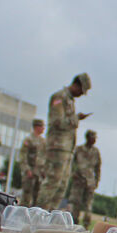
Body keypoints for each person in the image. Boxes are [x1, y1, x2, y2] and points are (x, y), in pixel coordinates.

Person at [40, 73, 92, 209]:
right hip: (57, 147)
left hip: (66, 149)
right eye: (82, 91)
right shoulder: (59, 97)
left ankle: (49, 217)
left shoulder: (69, 100)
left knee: (61, 186)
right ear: (77, 85)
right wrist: (76, 118)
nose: (81, 94)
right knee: (52, 183)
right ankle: (37, 213)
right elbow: (57, 121)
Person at [69, 129, 102, 228]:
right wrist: (72, 173)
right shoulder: (79, 149)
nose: (94, 140)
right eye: (93, 138)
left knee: (88, 207)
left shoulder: (96, 152)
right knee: (75, 204)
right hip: (78, 180)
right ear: (88, 138)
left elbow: (98, 168)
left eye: (95, 138)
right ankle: (74, 225)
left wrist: (97, 181)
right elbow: (71, 163)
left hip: (90, 182)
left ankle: (86, 226)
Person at [18, 119, 47, 207]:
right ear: (37, 127)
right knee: (27, 194)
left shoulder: (43, 141)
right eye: (42, 126)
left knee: (37, 196)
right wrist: (27, 170)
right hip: (30, 171)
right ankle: (23, 212)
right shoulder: (29, 139)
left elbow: (45, 157)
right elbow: (23, 156)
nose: (43, 128)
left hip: (39, 171)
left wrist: (44, 171)